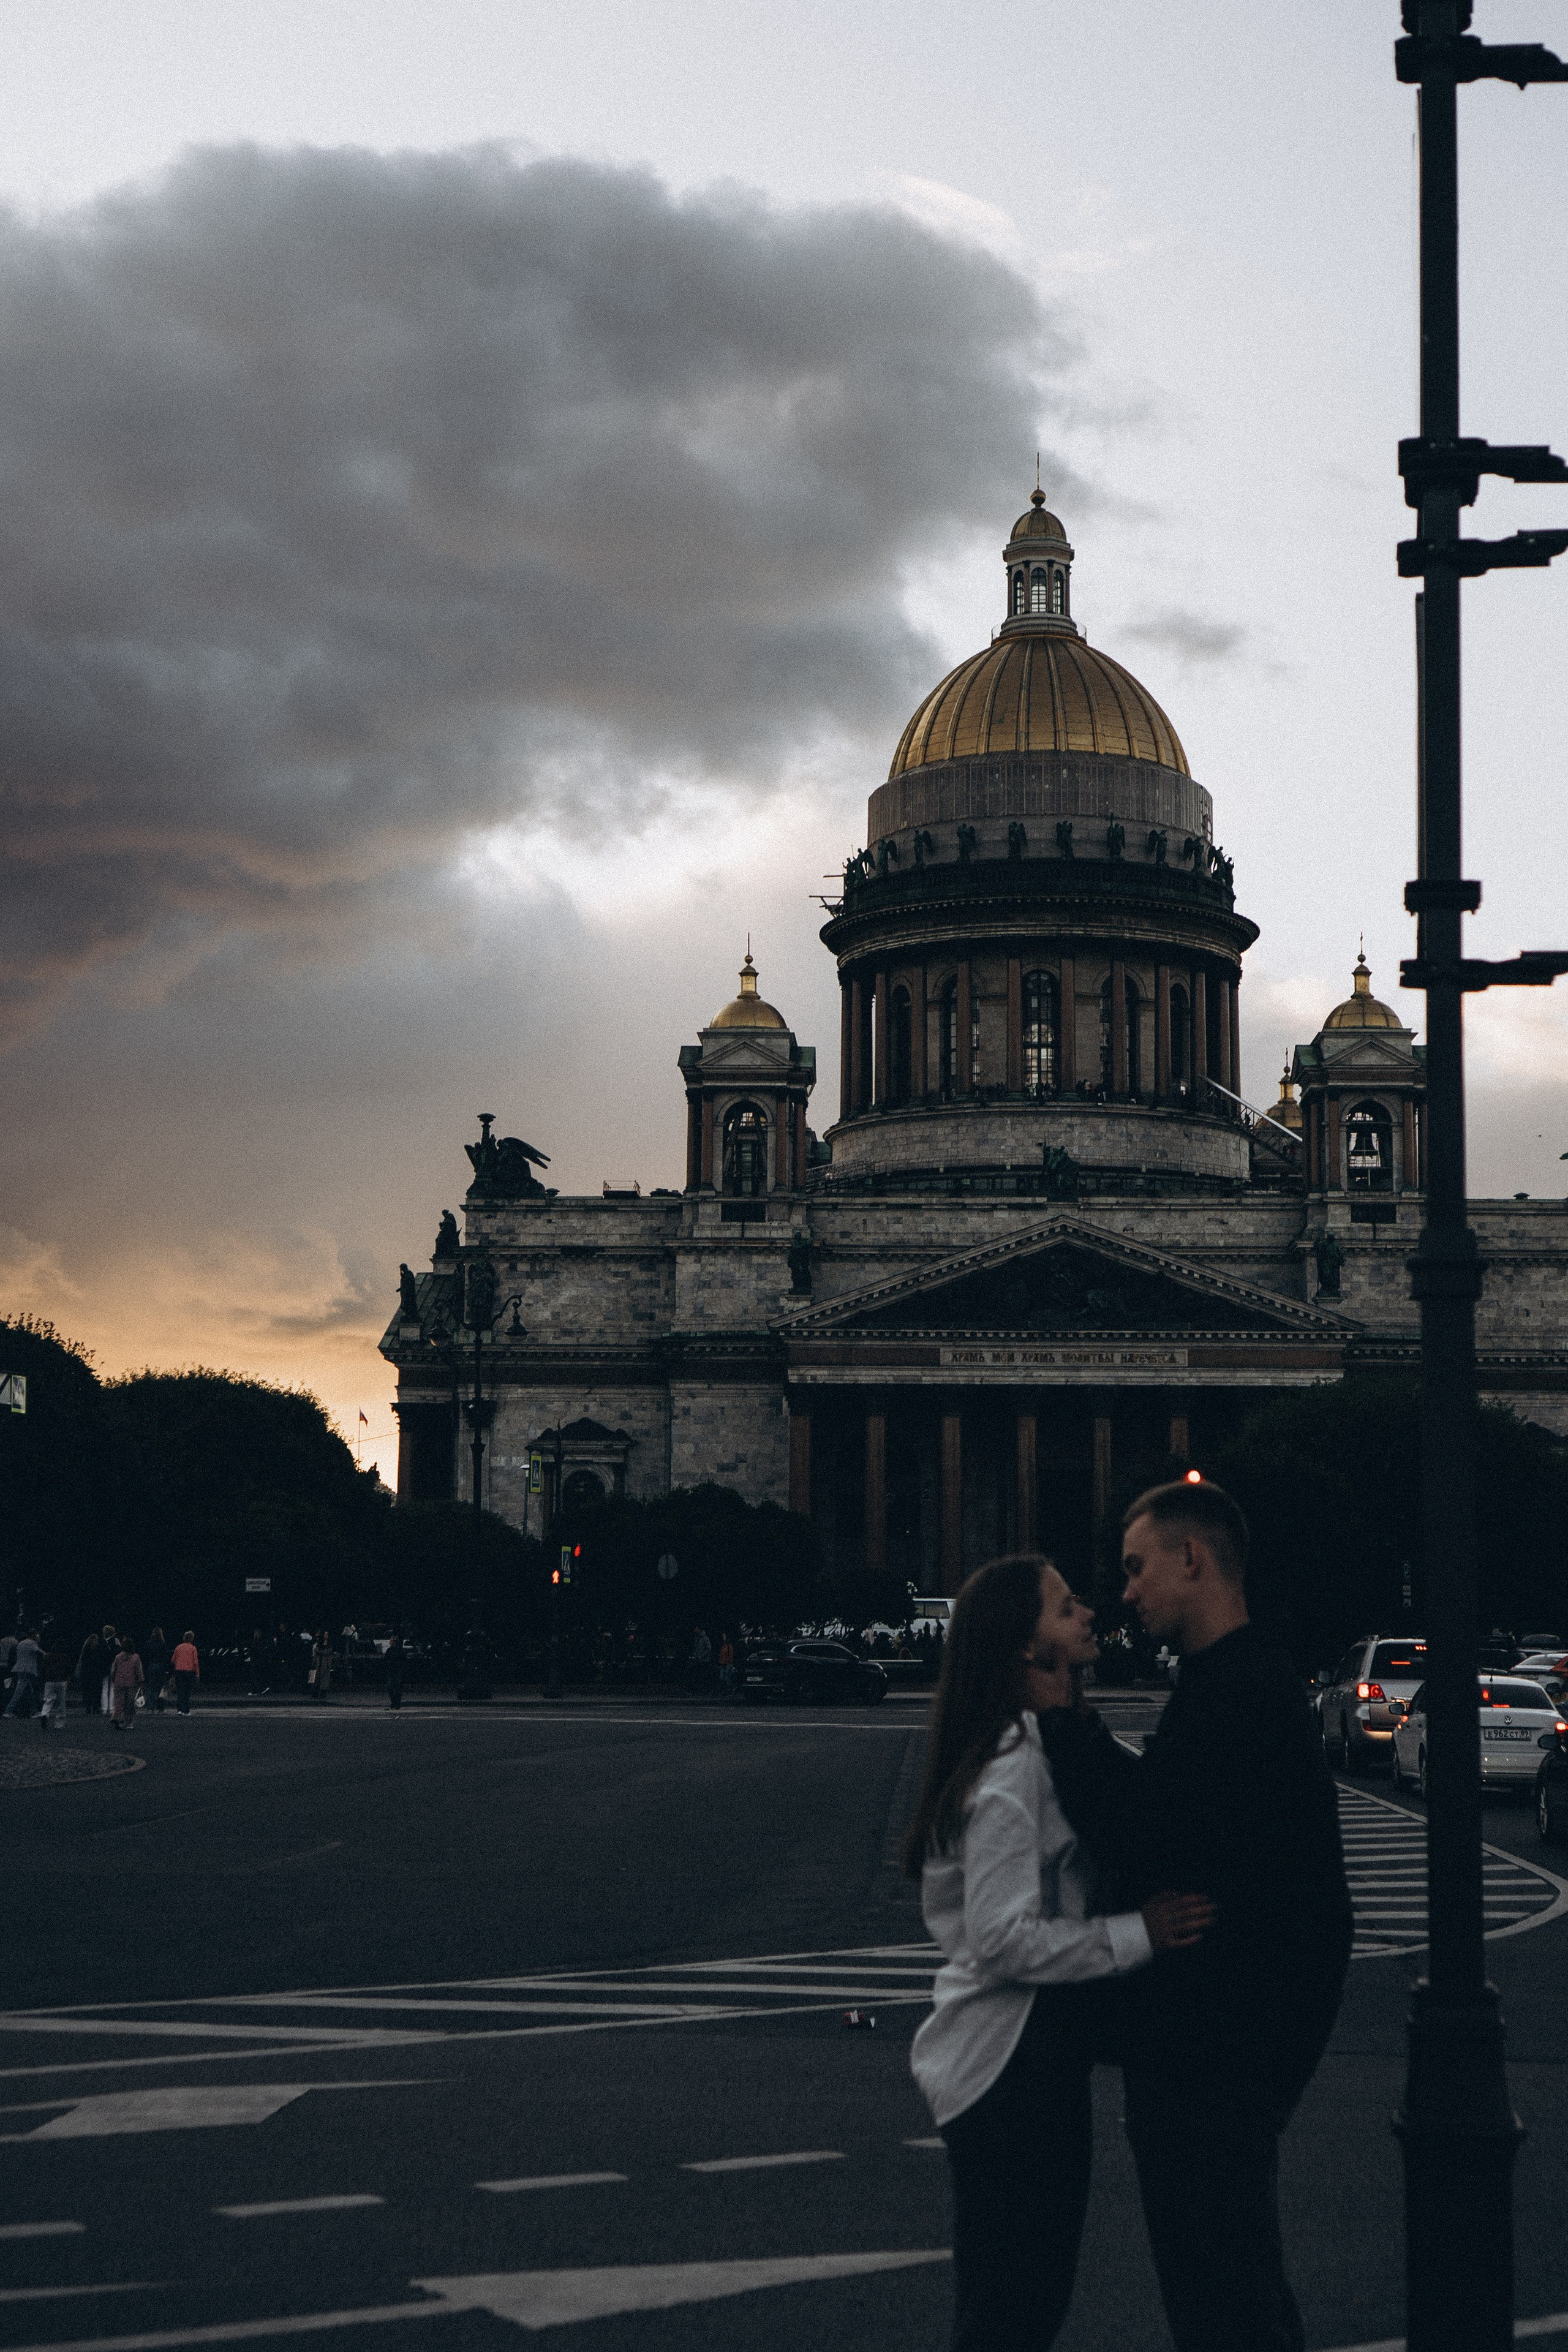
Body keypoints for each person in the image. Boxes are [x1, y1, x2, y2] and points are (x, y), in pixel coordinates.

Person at [1037, 1480, 1354, 2352]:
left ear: (1194, 1559)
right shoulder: (1238, 1680)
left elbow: (1145, 1829)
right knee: (1231, 2288)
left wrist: (1068, 1727)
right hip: (1226, 2047)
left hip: (1214, 2055)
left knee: (1225, 2300)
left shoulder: (1240, 1693)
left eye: (1137, 1569)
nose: (1125, 1593)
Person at [902, 1553, 1215, 2352]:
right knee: (1015, 2312)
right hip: (1009, 2060)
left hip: (1025, 2057)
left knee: (1020, 2305)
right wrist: (1140, 1934)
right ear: (1025, 1647)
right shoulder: (1012, 1769)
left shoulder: (1032, 1745)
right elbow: (1004, 1938)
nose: (1087, 1614)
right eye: (1066, 1607)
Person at [4, 1629, 42, 1717]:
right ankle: (8, 1711)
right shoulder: (32, 1643)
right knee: (19, 1692)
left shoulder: (21, 1643)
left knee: (30, 1691)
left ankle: (34, 1711)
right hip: (27, 1671)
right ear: (34, 1636)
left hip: (20, 1669)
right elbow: (40, 1653)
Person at [108, 1634, 144, 1728]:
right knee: (129, 1704)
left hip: (119, 1683)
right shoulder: (136, 1658)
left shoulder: (118, 1657)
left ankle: (117, 1718)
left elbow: (113, 1671)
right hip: (131, 1684)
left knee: (119, 1703)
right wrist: (141, 1681)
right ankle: (128, 1722)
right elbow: (139, 1671)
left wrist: (114, 1680)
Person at [39, 1642, 71, 1730]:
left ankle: (45, 1714)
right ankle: (59, 1724)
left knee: (48, 1700)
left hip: (49, 1680)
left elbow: (43, 1668)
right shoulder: (65, 1657)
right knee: (61, 1702)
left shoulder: (47, 1656)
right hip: (62, 1680)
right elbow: (68, 1668)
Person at [170, 1630, 200, 1714]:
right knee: (187, 1691)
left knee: (180, 1690)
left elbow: (173, 1660)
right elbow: (196, 1663)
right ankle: (186, 1710)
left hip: (179, 1671)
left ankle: (180, 1709)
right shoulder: (193, 1648)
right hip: (189, 1672)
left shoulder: (178, 1647)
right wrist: (197, 1674)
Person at [74, 1629, 102, 1716]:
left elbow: (82, 1661)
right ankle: (96, 1708)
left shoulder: (85, 1649)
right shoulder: (98, 1649)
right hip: (96, 1673)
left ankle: (88, 1708)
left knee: (88, 1691)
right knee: (96, 1691)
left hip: (87, 1673)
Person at [143, 1627, 170, 1715]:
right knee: (161, 1689)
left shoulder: (148, 1644)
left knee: (151, 1688)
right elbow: (165, 1658)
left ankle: (150, 1708)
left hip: (151, 1667)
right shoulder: (163, 1644)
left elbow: (146, 1657)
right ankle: (160, 1708)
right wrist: (167, 1669)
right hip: (160, 1667)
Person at [384, 1633, 405, 1712]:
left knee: (397, 1687)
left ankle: (396, 1703)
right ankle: (395, 1702)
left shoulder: (399, 1651)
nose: (390, 1642)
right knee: (391, 1687)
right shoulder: (389, 1650)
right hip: (392, 1671)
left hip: (397, 1671)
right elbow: (386, 1660)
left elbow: (403, 1661)